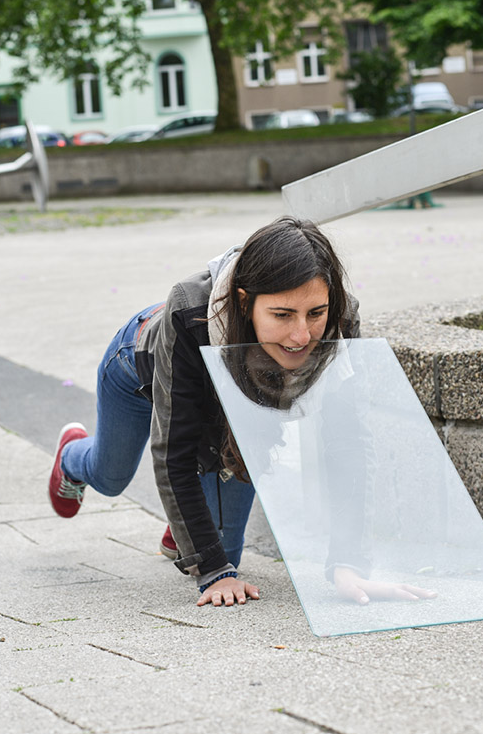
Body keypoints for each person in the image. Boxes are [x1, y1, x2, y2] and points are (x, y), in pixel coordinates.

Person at [47, 217, 436, 608]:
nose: (302, 335)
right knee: (113, 479)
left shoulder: (339, 319)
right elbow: (173, 450)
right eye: (282, 315)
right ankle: (72, 457)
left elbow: (349, 442)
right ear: (245, 301)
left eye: (315, 313)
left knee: (225, 552)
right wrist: (213, 571)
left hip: (232, 403)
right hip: (139, 368)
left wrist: (348, 564)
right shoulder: (188, 311)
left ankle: (183, 528)